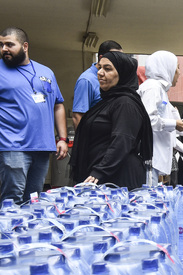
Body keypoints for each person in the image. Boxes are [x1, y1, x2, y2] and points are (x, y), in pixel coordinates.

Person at [0, 27, 68, 204]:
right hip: (12, 146)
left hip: (42, 147)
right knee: (12, 198)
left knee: (33, 199)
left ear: (25, 46)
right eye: (1, 45)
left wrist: (62, 138)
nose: (4, 49)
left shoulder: (46, 72)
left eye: (9, 44)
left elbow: (58, 104)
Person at [69, 51, 153, 189]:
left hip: (117, 178)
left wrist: (100, 171)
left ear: (123, 73)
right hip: (103, 174)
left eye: (107, 69)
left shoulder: (125, 103)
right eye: (100, 68)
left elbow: (122, 140)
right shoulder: (108, 101)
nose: (100, 73)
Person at [137, 50, 183, 186]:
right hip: (151, 158)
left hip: (157, 160)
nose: (179, 72)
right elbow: (148, 120)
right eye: (177, 67)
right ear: (166, 67)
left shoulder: (161, 91)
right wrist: (175, 124)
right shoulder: (152, 88)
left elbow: (172, 128)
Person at [71, 40, 122, 130]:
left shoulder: (113, 76)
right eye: (115, 57)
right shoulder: (87, 80)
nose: (120, 60)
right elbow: (78, 116)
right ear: (101, 58)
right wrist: (84, 142)